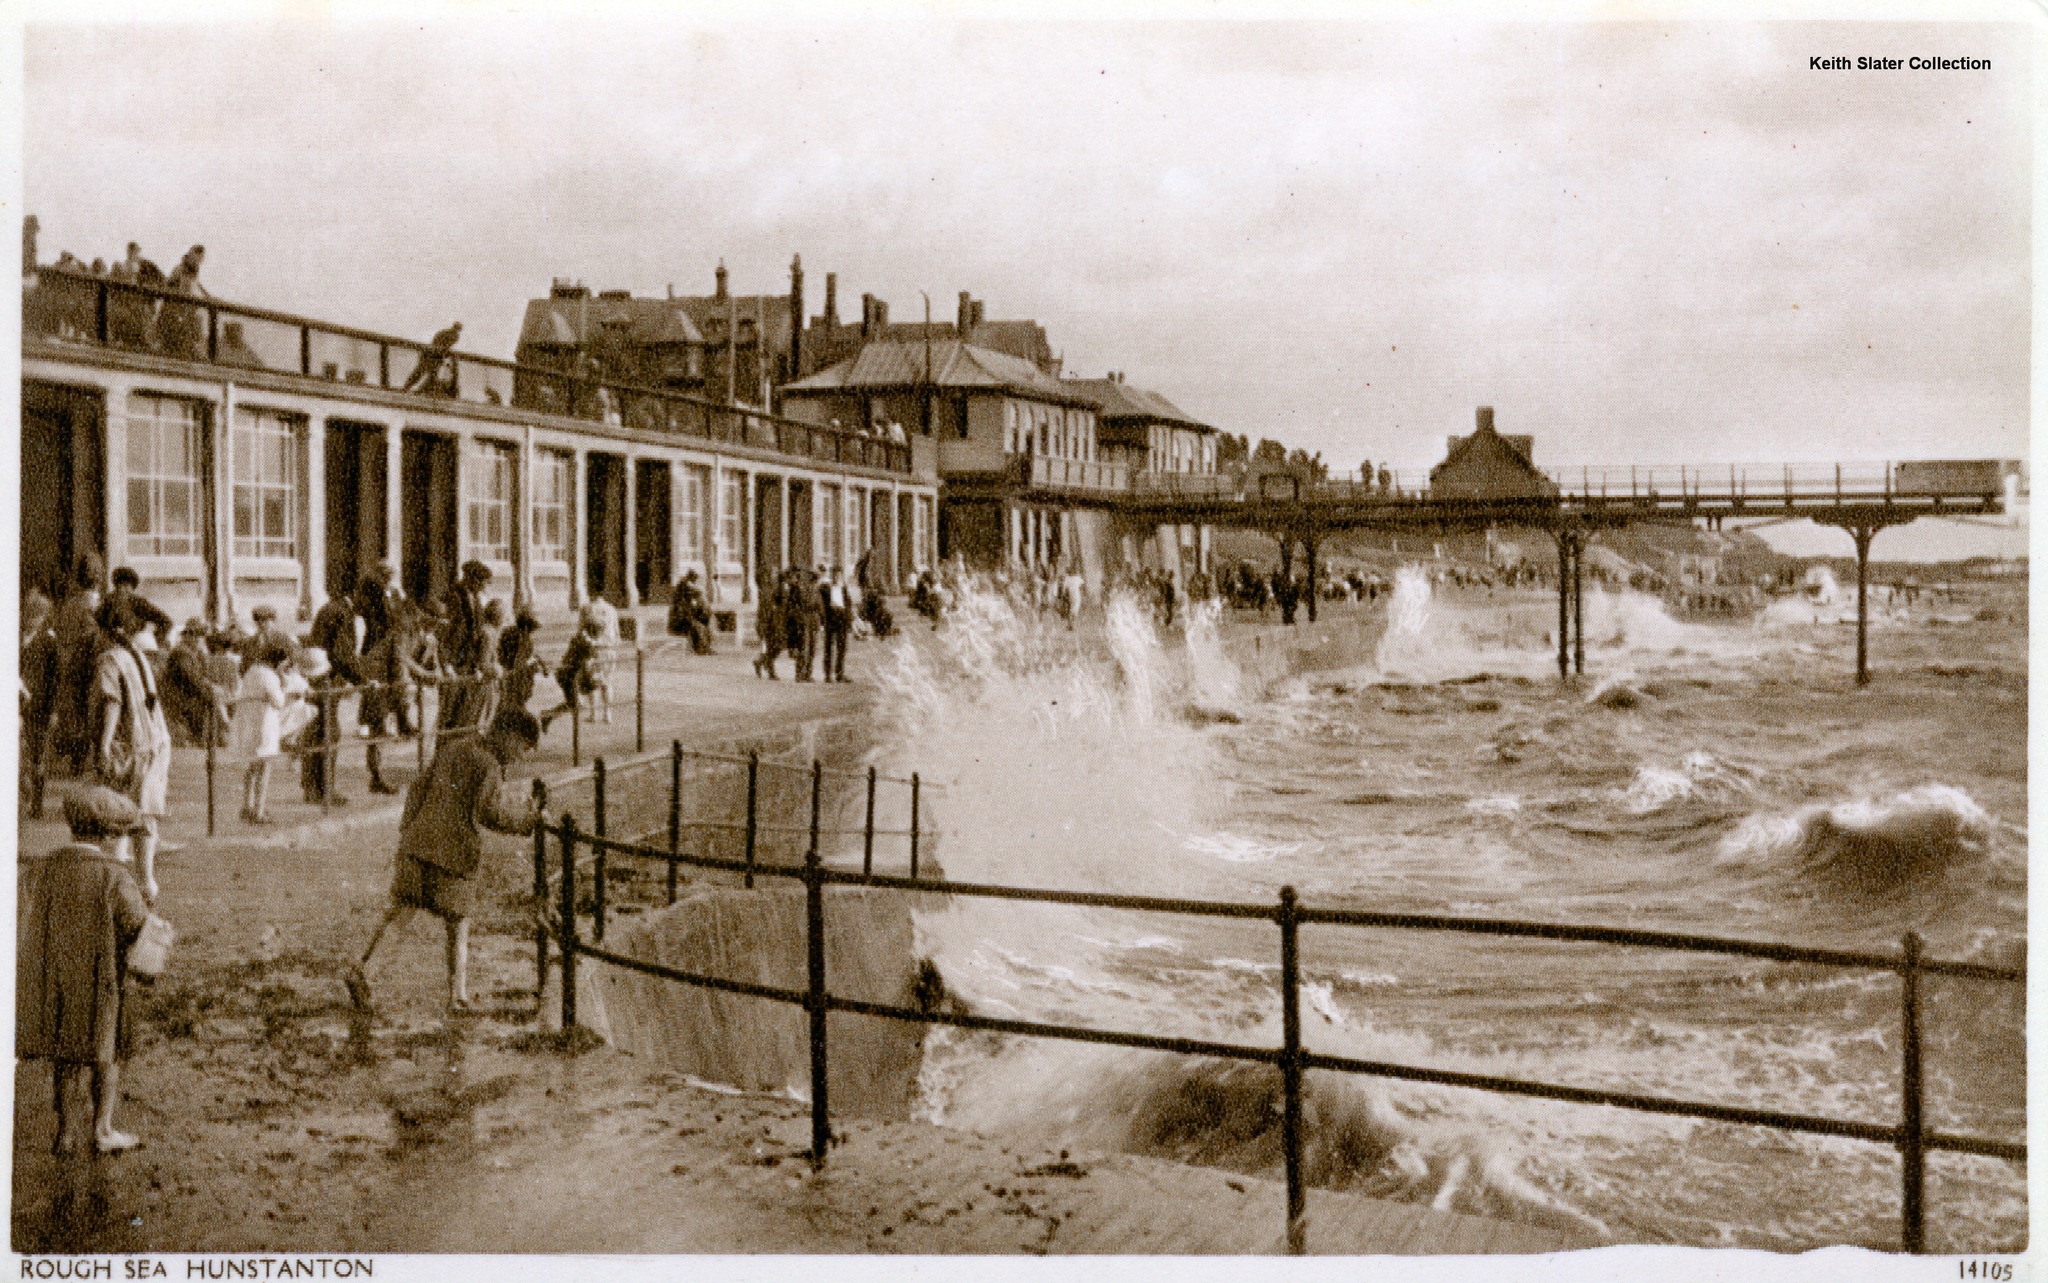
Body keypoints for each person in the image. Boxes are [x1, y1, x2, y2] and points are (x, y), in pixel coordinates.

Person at [346, 708, 541, 1016]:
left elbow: (418, 789)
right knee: (458, 925)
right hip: (455, 856)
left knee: (401, 913)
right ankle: (458, 997)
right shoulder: (490, 765)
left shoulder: (455, 747)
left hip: (419, 843)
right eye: (522, 748)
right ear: (508, 736)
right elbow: (490, 812)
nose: (521, 757)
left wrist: (408, 832)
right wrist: (527, 821)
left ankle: (364, 971)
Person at [17, 786, 156, 1156]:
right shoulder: (114, 876)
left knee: (66, 1060)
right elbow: (136, 925)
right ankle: (102, 1128)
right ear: (110, 836)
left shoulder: (46, 869)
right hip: (102, 981)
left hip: (59, 979)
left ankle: (64, 1132)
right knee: (106, 1057)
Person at [92, 600, 172, 903]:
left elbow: (112, 702)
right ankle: (146, 880)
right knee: (145, 813)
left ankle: (117, 883)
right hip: (155, 741)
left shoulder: (110, 659)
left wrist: (103, 744)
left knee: (120, 812)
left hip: (131, 744)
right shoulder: (136, 654)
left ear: (109, 630)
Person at [231, 640, 296, 825]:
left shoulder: (252, 671)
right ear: (279, 661)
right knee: (264, 767)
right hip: (264, 723)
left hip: (248, 721)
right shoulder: (269, 675)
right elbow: (279, 702)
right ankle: (258, 811)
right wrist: (283, 680)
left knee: (252, 766)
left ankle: (247, 805)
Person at [163, 618, 226, 747]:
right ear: (186, 636)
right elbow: (191, 679)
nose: (197, 639)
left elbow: (203, 676)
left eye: (200, 635)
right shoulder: (181, 653)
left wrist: (210, 686)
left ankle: (220, 733)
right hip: (179, 698)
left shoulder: (196, 653)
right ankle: (218, 734)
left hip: (190, 695)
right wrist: (209, 689)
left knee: (214, 696)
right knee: (212, 698)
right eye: (194, 635)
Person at [543, 612, 603, 734]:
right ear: (593, 630)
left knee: (575, 704)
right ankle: (546, 716)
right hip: (567, 675)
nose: (600, 635)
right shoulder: (585, 642)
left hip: (569, 674)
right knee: (575, 704)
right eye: (599, 632)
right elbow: (589, 661)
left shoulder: (582, 637)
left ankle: (548, 716)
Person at [401, 321, 463, 395]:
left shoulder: (445, 333)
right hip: (433, 355)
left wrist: (443, 354)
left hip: (434, 355)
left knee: (427, 375)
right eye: (458, 328)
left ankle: (413, 390)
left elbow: (442, 346)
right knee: (422, 373)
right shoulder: (452, 335)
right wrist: (442, 353)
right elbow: (441, 345)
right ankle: (411, 390)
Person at [819, 566, 852, 683]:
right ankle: (827, 674)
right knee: (828, 647)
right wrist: (822, 621)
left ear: (841, 576)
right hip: (830, 618)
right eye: (834, 575)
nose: (836, 577)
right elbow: (821, 605)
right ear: (831, 575)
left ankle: (840, 674)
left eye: (838, 575)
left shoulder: (843, 588)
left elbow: (848, 603)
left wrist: (848, 619)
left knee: (842, 647)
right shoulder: (825, 588)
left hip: (842, 617)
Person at [668, 570, 712, 654]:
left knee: (702, 626)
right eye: (694, 580)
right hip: (679, 622)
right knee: (696, 627)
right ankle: (701, 649)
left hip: (684, 619)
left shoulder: (685, 591)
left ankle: (705, 648)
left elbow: (694, 597)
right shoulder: (683, 592)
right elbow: (694, 594)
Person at [753, 567, 785, 679]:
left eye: (777, 573)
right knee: (771, 647)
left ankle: (760, 662)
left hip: (776, 622)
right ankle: (770, 672)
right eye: (774, 573)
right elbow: (765, 609)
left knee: (777, 646)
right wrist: (763, 625)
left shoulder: (779, 587)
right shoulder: (766, 589)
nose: (775, 576)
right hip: (767, 623)